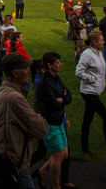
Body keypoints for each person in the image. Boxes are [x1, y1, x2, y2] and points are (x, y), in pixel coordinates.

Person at [0, 53, 48, 188]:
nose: (28, 71)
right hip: (14, 166)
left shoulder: (1, 91)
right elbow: (41, 129)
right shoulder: (15, 99)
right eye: (25, 69)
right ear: (15, 73)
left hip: (2, 161)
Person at [33, 51, 75, 189]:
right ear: (49, 65)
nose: (61, 64)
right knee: (58, 155)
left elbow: (68, 95)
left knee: (64, 154)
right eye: (57, 62)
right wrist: (62, 99)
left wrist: (62, 98)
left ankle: (42, 172)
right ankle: (56, 185)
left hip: (59, 119)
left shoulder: (56, 78)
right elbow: (53, 102)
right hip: (50, 121)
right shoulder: (45, 82)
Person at [75, 31, 106, 156]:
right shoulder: (87, 54)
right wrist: (92, 79)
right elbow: (79, 71)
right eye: (101, 40)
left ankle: (84, 147)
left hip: (96, 90)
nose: (104, 42)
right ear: (94, 42)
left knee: (88, 119)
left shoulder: (98, 53)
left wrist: (104, 83)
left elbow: (100, 71)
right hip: (89, 91)